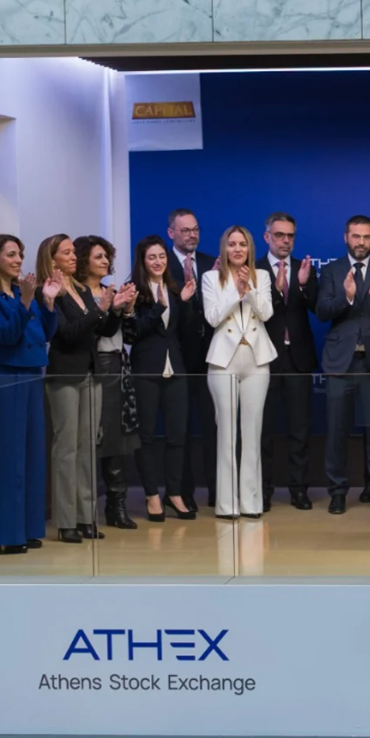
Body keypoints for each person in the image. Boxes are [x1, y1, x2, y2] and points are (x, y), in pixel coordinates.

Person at [0, 234, 61, 554]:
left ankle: (30, 528)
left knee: (33, 456)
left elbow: (44, 334)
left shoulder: (24, 293)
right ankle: (9, 535)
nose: (19, 259)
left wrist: (48, 303)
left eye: (20, 253)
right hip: (3, 379)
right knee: (8, 458)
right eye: (11, 254)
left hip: (32, 374)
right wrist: (25, 302)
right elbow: (6, 335)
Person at [318, 215, 370, 515]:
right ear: (346, 238)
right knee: (336, 432)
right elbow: (322, 311)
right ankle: (337, 493)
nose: (361, 242)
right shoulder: (331, 270)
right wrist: (347, 297)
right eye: (356, 236)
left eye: (366, 237)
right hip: (341, 363)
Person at [43, 234, 120, 543]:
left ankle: (87, 517)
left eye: (74, 252)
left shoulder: (81, 290)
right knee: (67, 448)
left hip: (91, 371)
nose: (74, 256)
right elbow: (68, 333)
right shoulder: (51, 291)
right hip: (64, 374)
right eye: (66, 252)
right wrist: (98, 311)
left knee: (87, 447)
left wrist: (113, 309)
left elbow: (101, 329)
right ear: (52, 259)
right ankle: (66, 520)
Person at [202, 225, 276, 519]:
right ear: (224, 248)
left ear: (250, 248)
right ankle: (227, 504)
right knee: (226, 434)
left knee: (252, 432)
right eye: (232, 244)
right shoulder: (211, 278)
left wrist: (250, 289)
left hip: (256, 359)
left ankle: (251, 502)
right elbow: (212, 318)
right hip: (224, 361)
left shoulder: (262, 276)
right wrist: (236, 291)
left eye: (242, 244)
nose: (237, 249)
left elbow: (267, 313)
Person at [128, 236, 196, 522]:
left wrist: (185, 303)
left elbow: (186, 331)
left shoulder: (175, 287)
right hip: (146, 369)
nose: (158, 262)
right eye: (152, 257)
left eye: (162, 256)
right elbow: (133, 332)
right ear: (143, 261)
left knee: (177, 435)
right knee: (145, 436)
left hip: (176, 368)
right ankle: (152, 495)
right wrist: (158, 306)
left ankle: (174, 493)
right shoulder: (134, 291)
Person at [255, 212, 319, 513]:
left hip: (298, 360)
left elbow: (318, 308)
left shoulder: (305, 268)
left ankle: (299, 490)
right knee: (263, 431)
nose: (285, 241)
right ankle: (263, 491)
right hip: (264, 359)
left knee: (299, 431)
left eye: (290, 236)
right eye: (279, 235)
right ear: (267, 237)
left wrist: (303, 287)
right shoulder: (254, 269)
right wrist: (277, 290)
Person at [78, 235, 141, 532]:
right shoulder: (77, 294)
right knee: (94, 437)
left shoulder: (109, 290)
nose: (105, 261)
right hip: (95, 367)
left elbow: (130, 336)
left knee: (116, 438)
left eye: (107, 256)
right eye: (98, 256)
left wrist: (128, 310)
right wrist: (113, 309)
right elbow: (97, 332)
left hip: (118, 365)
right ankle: (84, 510)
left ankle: (117, 505)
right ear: (84, 260)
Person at [166, 208, 217, 511]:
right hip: (176, 359)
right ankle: (182, 493)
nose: (192, 235)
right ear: (171, 232)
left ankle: (217, 491)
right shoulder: (161, 265)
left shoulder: (213, 263)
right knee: (179, 429)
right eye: (185, 230)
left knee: (214, 426)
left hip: (211, 357)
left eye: (195, 229)